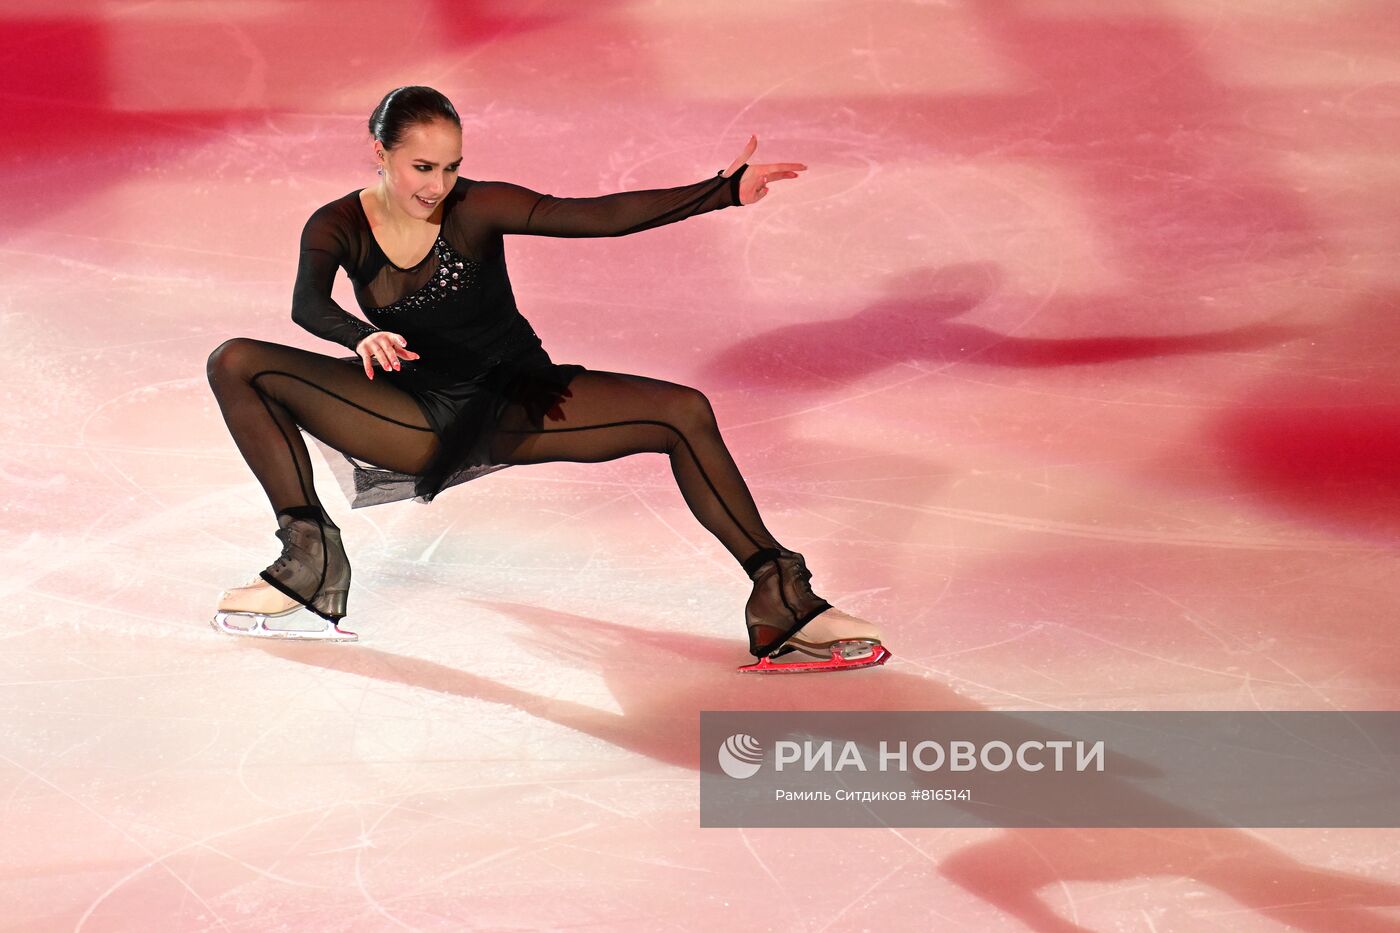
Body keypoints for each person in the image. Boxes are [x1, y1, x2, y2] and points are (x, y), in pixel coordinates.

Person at [205, 86, 889, 673]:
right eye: (420, 165)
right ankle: (309, 556)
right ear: (378, 151)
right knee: (236, 360)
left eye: (449, 167)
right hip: (408, 414)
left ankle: (781, 598)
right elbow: (309, 304)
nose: (435, 185)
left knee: (684, 411)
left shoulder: (478, 208)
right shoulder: (338, 224)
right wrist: (362, 335)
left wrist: (721, 192)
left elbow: (591, 216)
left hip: (513, 398)